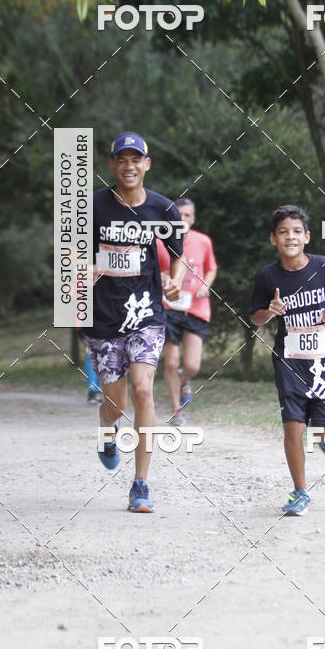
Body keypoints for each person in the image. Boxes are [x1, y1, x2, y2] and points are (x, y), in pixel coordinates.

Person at [85, 132, 186, 513]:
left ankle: (140, 483)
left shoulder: (163, 209)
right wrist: (88, 267)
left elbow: (177, 254)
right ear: (113, 165)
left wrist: (175, 280)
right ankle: (107, 429)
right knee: (116, 403)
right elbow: (70, 256)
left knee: (144, 391)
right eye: (121, 160)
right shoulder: (93, 205)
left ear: (147, 163)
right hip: (103, 315)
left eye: (136, 159)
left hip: (146, 312)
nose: (129, 166)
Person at [249, 205, 325, 516]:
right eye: (282, 232)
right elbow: (255, 317)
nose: (289, 236)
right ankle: (300, 492)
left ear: (306, 237)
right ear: (272, 239)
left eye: (295, 231)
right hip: (289, 363)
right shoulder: (267, 276)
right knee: (292, 427)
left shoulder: (322, 265)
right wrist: (270, 311)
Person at [157, 198, 217, 425]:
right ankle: (176, 411)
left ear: (193, 218)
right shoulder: (159, 241)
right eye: (178, 215)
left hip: (196, 307)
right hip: (167, 306)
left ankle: (183, 382)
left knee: (192, 365)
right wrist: (161, 276)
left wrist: (205, 285)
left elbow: (211, 268)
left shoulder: (203, 241)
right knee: (171, 362)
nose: (183, 219)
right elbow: (151, 268)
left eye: (187, 215)